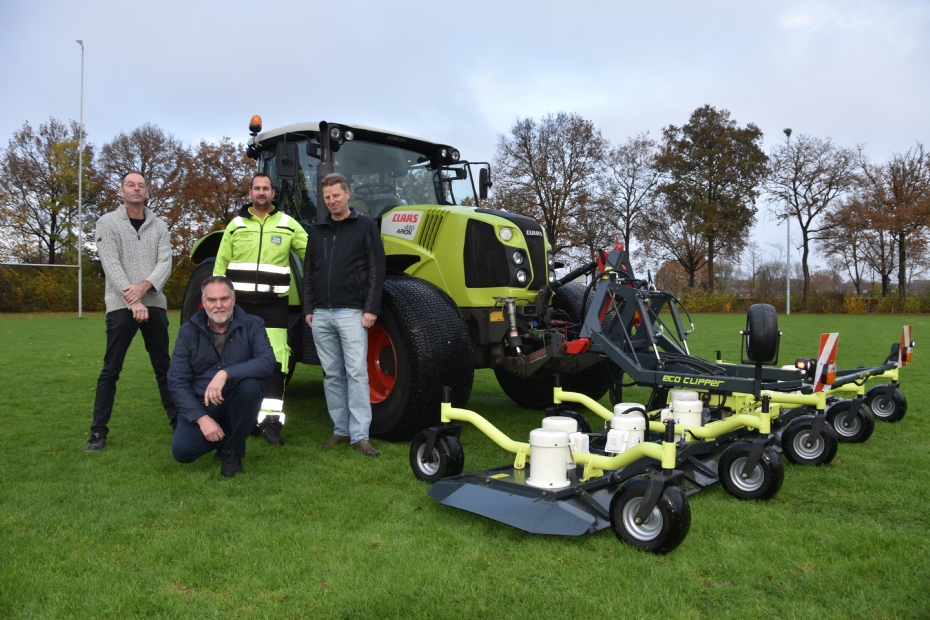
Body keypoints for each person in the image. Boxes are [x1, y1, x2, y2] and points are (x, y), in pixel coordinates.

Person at [85, 171, 178, 451]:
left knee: (165, 368)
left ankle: (180, 424)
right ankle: (98, 433)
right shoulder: (107, 222)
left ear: (147, 192)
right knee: (111, 370)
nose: (136, 189)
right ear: (121, 190)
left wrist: (146, 287)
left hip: (154, 304)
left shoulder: (159, 225)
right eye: (130, 185)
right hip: (121, 306)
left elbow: (165, 261)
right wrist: (132, 299)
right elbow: (110, 263)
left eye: (141, 185)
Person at [213, 173, 307, 446]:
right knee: (233, 360)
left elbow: (314, 255)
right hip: (239, 307)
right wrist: (219, 302)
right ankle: (237, 416)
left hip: (274, 306)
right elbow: (220, 267)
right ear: (251, 192)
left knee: (276, 363)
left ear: (273, 193)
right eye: (257, 188)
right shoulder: (236, 226)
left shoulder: (289, 225)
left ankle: (270, 423)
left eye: (266, 188)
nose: (262, 192)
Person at [303, 173, 385, 456]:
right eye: (327, 197)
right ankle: (340, 430)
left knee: (357, 373)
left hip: (352, 312)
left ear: (347, 194)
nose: (332, 201)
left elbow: (377, 268)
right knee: (332, 375)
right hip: (321, 315)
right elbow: (309, 274)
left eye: (336, 195)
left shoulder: (364, 227)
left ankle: (360, 435)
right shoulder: (316, 230)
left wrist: (371, 308)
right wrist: (308, 309)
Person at [168, 275, 276, 477]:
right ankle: (227, 434)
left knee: (251, 387)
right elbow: (177, 381)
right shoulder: (187, 331)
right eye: (212, 300)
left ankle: (232, 452)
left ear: (233, 299)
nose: (219, 305)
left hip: (237, 398)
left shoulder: (253, 324)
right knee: (183, 452)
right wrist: (201, 419)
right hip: (202, 403)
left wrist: (226, 373)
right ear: (204, 302)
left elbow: (267, 362)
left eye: (224, 299)